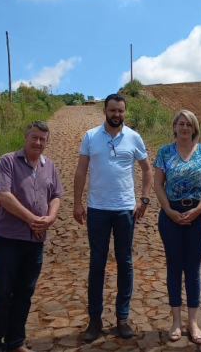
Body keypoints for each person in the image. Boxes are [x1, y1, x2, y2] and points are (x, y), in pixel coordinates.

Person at [73, 93, 153, 342]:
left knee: (125, 262)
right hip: (97, 209)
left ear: (124, 112)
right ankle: (94, 320)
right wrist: (77, 202)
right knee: (97, 263)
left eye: (120, 111)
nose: (116, 115)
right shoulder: (90, 136)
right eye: (112, 110)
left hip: (124, 210)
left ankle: (122, 318)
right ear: (104, 111)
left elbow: (147, 169)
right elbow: (80, 170)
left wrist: (144, 200)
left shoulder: (134, 137)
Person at [0, 121, 63, 352]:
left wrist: (50, 219)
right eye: (34, 137)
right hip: (10, 237)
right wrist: (31, 219)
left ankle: (15, 341)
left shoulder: (49, 166)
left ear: (47, 142)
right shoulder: (8, 161)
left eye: (43, 139)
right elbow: (2, 195)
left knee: (25, 292)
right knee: (2, 291)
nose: (38, 142)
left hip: (36, 240)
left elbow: (56, 196)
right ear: (26, 137)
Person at [153, 109, 201, 344]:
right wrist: (170, 212)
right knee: (174, 266)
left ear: (194, 129)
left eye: (189, 125)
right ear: (174, 127)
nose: (184, 128)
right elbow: (158, 185)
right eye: (181, 124)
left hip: (197, 214)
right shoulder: (163, 152)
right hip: (170, 214)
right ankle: (176, 321)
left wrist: (200, 208)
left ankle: (193, 323)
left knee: (192, 269)